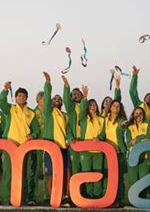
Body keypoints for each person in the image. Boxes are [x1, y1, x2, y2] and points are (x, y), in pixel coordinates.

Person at [0, 82, 40, 205]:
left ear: (27, 98)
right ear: (15, 98)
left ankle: (24, 198)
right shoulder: (10, 109)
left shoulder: (31, 113)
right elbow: (1, 103)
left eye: (23, 96)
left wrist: (32, 135)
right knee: (8, 173)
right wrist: (4, 91)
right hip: (10, 145)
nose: (21, 98)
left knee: (25, 173)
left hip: (25, 147)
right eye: (19, 96)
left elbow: (37, 129)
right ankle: (6, 199)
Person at [42, 72, 72, 207]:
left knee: (65, 172)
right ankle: (52, 197)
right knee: (50, 173)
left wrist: (66, 87)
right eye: (55, 99)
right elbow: (47, 99)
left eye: (59, 99)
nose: (57, 100)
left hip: (63, 148)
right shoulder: (48, 112)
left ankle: (64, 196)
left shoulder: (65, 115)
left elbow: (69, 131)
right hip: (51, 147)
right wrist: (48, 83)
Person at [79, 85, 105, 198]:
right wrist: (85, 98)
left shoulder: (101, 119)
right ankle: (88, 194)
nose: (92, 107)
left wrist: (99, 138)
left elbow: (104, 134)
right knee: (87, 173)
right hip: (86, 150)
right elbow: (82, 109)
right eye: (90, 105)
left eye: (94, 105)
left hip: (98, 152)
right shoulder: (84, 119)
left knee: (98, 173)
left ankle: (97, 194)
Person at [101, 99, 127, 207]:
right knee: (108, 175)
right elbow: (102, 134)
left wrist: (123, 126)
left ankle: (119, 199)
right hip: (108, 152)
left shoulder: (122, 120)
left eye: (118, 106)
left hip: (118, 152)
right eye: (114, 105)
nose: (116, 108)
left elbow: (124, 125)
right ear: (110, 107)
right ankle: (107, 198)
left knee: (119, 177)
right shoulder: (105, 119)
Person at [125, 107, 150, 199]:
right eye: (136, 113)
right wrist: (142, 139)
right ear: (133, 115)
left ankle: (143, 199)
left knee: (143, 179)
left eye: (140, 113)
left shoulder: (148, 124)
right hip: (132, 156)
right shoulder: (129, 127)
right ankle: (133, 199)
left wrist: (137, 139)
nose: (138, 115)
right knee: (133, 179)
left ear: (143, 115)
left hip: (145, 156)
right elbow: (129, 143)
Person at [62, 76, 83, 178]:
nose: (76, 96)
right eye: (73, 94)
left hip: (85, 140)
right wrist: (66, 87)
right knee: (75, 168)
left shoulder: (86, 107)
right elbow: (69, 127)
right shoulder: (71, 108)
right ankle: (74, 192)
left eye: (78, 94)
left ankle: (85, 192)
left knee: (85, 168)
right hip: (74, 141)